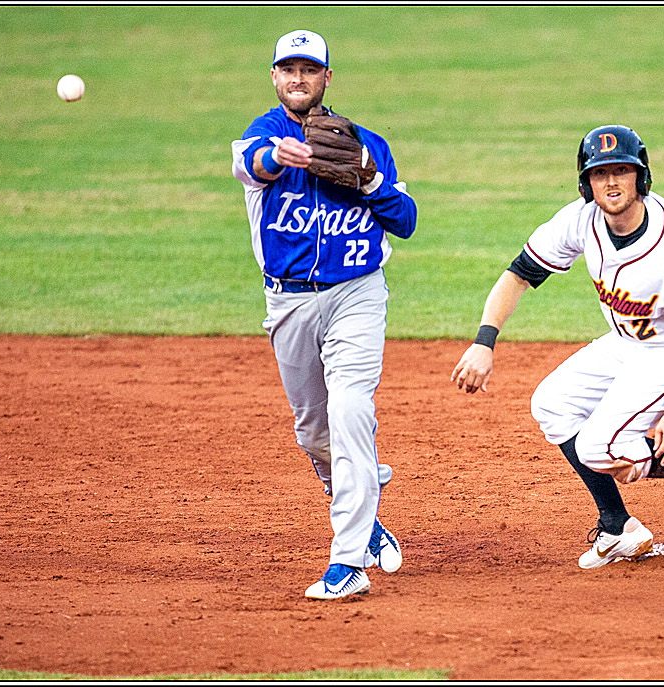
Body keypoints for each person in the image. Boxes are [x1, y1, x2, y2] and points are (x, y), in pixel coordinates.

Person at [451, 125, 664, 567]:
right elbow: (517, 274)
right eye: (600, 174)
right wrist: (484, 341)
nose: (611, 182)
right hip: (629, 341)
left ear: (641, 177)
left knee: (599, 446)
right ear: (585, 183)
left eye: (621, 171)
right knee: (551, 405)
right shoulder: (581, 220)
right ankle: (618, 527)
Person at [231, 30, 417, 598]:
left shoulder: (366, 143)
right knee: (314, 430)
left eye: (309, 70)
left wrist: (370, 178)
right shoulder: (257, 138)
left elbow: (405, 219)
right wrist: (276, 157)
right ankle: (367, 509)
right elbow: (254, 165)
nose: (298, 78)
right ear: (274, 77)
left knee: (351, 412)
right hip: (288, 301)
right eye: (288, 69)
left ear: (326, 78)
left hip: (356, 296)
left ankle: (349, 561)